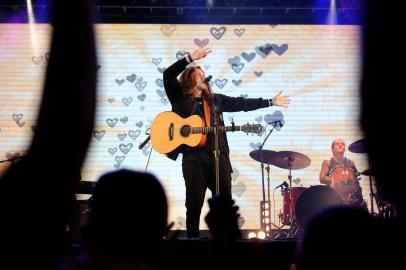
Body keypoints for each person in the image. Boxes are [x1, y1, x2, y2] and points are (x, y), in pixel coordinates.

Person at [163, 47, 290, 238]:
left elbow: (242, 104)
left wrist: (270, 102)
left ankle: (224, 249)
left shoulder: (216, 101)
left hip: (219, 158)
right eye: (199, 74)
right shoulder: (180, 100)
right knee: (194, 206)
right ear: (189, 79)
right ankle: (192, 246)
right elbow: (168, 75)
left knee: (224, 208)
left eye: (204, 74)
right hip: (193, 161)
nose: (203, 76)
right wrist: (190, 58)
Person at [319, 138, 367, 209]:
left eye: (342, 144)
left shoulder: (351, 161)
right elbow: (322, 178)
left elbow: (356, 178)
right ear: (332, 149)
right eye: (337, 144)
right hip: (335, 196)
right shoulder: (328, 161)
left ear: (344, 149)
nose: (340, 145)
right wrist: (337, 179)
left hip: (353, 197)